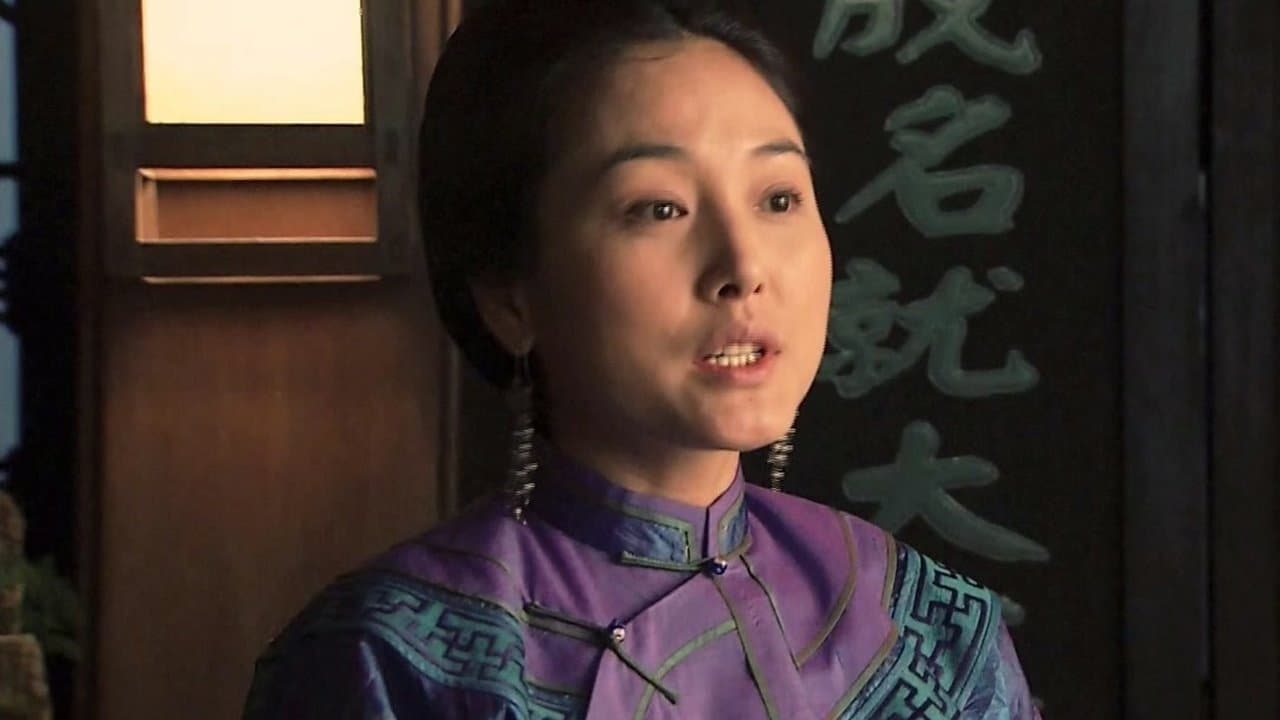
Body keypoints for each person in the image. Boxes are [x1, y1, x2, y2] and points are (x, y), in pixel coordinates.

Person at [243, 1, 1041, 717]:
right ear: (510, 298)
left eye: (778, 198)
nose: (743, 266)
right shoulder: (386, 663)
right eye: (659, 208)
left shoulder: (929, 629)